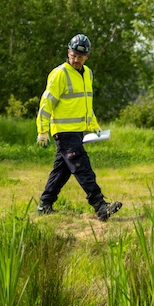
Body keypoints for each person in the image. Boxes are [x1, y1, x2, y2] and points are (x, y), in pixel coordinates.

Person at [36, 34, 122, 220]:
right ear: (68, 52)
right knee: (82, 166)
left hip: (78, 131)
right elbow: (46, 103)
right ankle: (100, 206)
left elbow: (86, 105)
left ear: (87, 57)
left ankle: (45, 205)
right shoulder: (60, 73)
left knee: (62, 170)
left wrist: (94, 126)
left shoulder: (88, 73)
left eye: (80, 57)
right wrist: (42, 130)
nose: (76, 60)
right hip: (63, 132)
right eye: (73, 55)